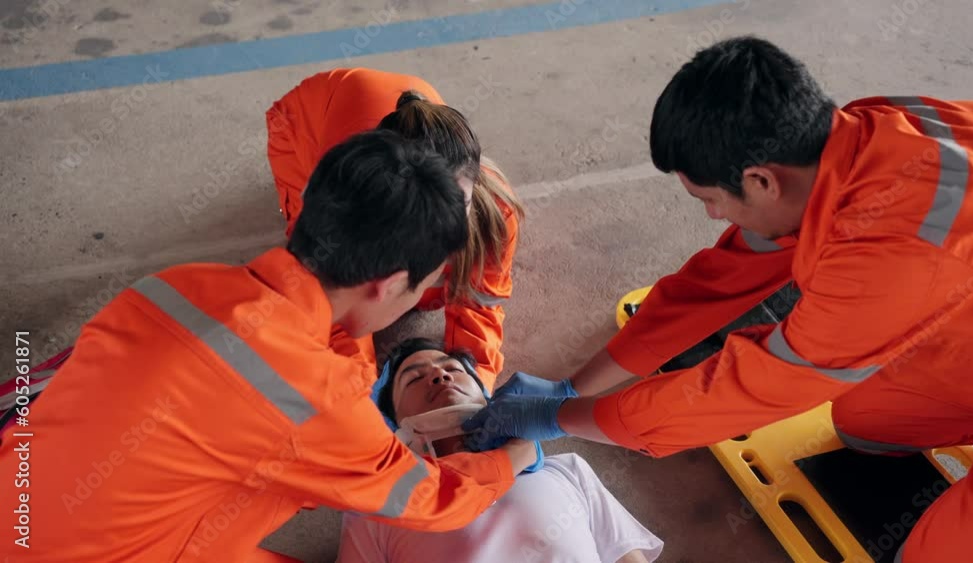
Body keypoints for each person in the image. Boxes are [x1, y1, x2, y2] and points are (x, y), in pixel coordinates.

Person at [462, 36, 973, 562]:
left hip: (945, 281)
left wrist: (564, 416)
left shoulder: (894, 254)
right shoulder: (857, 136)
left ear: (761, 180)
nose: (713, 215)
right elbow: (718, 282)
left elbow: (746, 390)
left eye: (710, 200)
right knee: (864, 421)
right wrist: (571, 386)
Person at [0, 130, 539, 562]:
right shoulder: (312, 400)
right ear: (389, 284)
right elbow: (429, 500)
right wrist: (514, 456)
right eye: (424, 287)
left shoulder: (174, 286)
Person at [267, 67, 524, 391]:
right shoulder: (352, 197)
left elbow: (480, 306)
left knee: (423, 289)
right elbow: (335, 300)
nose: (445, 221)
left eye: (455, 204)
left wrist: (476, 385)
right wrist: (360, 393)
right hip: (296, 126)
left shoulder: (497, 211)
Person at [337, 338, 664, 563]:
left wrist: (570, 398)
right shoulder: (378, 507)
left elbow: (626, 556)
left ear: (488, 395)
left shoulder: (569, 468)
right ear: (395, 426)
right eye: (414, 379)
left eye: (454, 368)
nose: (439, 374)